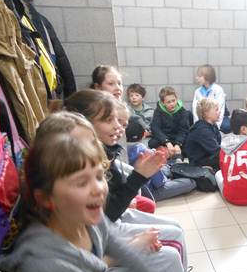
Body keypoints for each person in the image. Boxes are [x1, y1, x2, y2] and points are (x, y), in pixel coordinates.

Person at [0, 117, 175, 272]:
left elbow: (120, 248)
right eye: (81, 181)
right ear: (46, 198)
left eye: (99, 176)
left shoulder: (89, 216)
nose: (98, 189)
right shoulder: (44, 264)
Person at [64, 91, 209, 272]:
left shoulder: (99, 153)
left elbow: (107, 212)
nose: (118, 127)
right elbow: (102, 227)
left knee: (175, 231)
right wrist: (139, 177)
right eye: (109, 120)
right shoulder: (76, 168)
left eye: (120, 121)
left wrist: (138, 178)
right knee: (168, 258)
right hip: (88, 268)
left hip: (102, 237)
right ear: (83, 125)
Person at [91, 66, 194, 201]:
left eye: (119, 83)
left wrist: (177, 143)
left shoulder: (181, 112)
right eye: (111, 83)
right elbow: (156, 129)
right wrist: (166, 142)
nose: (118, 127)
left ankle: (173, 164)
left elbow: (183, 130)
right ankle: (174, 167)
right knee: (189, 181)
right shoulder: (131, 147)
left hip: (171, 143)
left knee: (180, 148)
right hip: (153, 172)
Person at [149, 86, 193, 156]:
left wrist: (178, 144)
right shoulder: (158, 111)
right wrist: (166, 142)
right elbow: (155, 128)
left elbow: (184, 130)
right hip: (164, 138)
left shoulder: (182, 111)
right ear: (163, 103)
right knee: (152, 143)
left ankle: (176, 154)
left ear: (177, 99)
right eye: (168, 102)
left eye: (173, 100)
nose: (172, 104)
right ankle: (168, 152)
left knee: (190, 143)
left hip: (177, 137)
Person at [183, 98, 222, 169]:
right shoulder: (202, 130)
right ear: (206, 113)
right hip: (198, 163)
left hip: (208, 157)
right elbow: (217, 151)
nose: (219, 112)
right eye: (216, 110)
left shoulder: (213, 125)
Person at [191, 64, 229, 133]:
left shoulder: (218, 90)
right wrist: (198, 125)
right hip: (204, 118)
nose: (196, 78)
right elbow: (195, 109)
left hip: (217, 117)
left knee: (226, 126)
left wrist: (215, 127)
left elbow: (220, 109)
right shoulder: (197, 92)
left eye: (199, 76)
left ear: (207, 77)